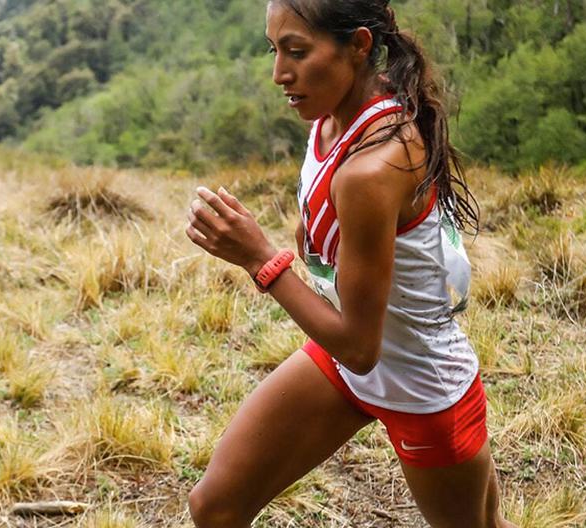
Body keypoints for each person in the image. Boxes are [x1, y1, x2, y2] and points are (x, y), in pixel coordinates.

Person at [184, 1, 516, 526]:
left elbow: (362, 347)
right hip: (347, 367)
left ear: (359, 46)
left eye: (296, 51)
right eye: (274, 50)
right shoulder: (333, 113)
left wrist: (260, 260)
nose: (279, 74)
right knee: (214, 507)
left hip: (419, 388)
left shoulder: (373, 167)